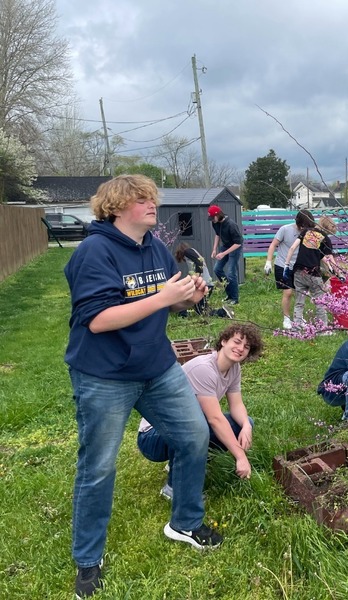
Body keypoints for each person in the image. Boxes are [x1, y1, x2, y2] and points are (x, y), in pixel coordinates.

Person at [64, 175, 221, 598]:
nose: (153, 205)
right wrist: (163, 297)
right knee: (98, 468)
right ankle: (88, 559)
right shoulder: (93, 252)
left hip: (157, 367)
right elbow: (97, 320)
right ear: (116, 207)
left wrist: (190, 295)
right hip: (104, 376)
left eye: (153, 198)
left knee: (193, 436)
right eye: (142, 199)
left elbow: (170, 298)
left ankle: (184, 522)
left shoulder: (153, 246)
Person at [138, 323, 264, 495]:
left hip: (183, 426)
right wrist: (241, 457)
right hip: (152, 436)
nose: (240, 348)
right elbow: (215, 419)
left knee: (242, 422)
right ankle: (174, 488)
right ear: (224, 341)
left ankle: (190, 463)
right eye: (237, 342)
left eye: (247, 347)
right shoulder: (204, 368)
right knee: (196, 425)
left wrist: (246, 426)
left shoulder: (234, 368)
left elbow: (236, 405)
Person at [264, 210, 315, 329]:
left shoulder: (309, 233)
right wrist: (268, 262)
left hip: (298, 266)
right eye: (302, 226)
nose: (303, 229)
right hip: (283, 264)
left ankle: (298, 316)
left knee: (301, 292)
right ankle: (286, 318)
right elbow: (273, 245)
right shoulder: (285, 229)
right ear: (298, 223)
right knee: (288, 292)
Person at [284, 215, 337, 329]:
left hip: (298, 271)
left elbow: (293, 247)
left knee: (299, 302)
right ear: (327, 228)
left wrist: (286, 265)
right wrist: (338, 271)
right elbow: (329, 257)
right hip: (313, 274)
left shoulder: (306, 232)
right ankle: (322, 329)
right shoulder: (325, 238)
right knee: (320, 302)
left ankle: (296, 328)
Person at [174, 243, 233, 319]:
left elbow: (199, 262)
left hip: (204, 285)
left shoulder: (187, 251)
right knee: (201, 309)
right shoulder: (193, 252)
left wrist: (197, 275)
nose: (183, 260)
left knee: (200, 310)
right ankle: (183, 314)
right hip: (207, 284)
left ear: (180, 252)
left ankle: (223, 312)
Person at [208, 205, 243, 305]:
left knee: (231, 273)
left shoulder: (231, 225)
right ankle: (229, 294)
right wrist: (214, 249)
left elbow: (238, 243)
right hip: (225, 246)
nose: (212, 220)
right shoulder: (215, 223)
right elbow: (217, 235)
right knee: (217, 269)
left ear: (218, 215)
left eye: (212, 218)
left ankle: (235, 298)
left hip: (235, 247)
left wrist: (223, 253)